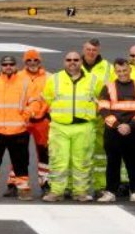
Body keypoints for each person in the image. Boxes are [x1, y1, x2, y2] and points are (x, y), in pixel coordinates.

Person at [42, 52, 99, 203]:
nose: (72, 62)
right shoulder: (53, 79)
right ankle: (56, 191)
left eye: (76, 60)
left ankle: (80, 192)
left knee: (82, 161)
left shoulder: (94, 80)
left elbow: (101, 101)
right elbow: (46, 100)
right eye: (69, 60)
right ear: (64, 62)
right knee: (58, 160)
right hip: (60, 127)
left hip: (84, 126)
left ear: (81, 61)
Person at [0, 55, 35, 200]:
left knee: (21, 163)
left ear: (16, 66)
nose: (8, 67)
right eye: (5, 64)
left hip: (19, 131)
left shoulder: (26, 83)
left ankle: (23, 189)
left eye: (11, 64)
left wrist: (25, 116)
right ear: (1, 67)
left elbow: (35, 102)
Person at [97, 58, 135, 203]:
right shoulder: (108, 87)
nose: (122, 74)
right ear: (115, 72)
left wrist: (130, 125)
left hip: (134, 131)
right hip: (114, 132)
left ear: (130, 69)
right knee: (113, 162)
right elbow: (103, 109)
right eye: (119, 71)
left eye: (125, 70)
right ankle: (110, 191)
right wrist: (117, 126)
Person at [80, 39, 112, 197]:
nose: (91, 52)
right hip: (81, 118)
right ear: (83, 49)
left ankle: (101, 186)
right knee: (81, 155)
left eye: (94, 49)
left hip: (100, 118)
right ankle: (80, 188)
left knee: (100, 155)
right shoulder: (75, 64)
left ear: (98, 50)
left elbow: (113, 90)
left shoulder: (107, 68)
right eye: (88, 49)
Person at [21, 49, 51, 191]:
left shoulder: (50, 77)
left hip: (42, 120)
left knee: (44, 153)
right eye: (29, 60)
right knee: (19, 152)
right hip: (23, 120)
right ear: (24, 62)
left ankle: (45, 182)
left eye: (35, 60)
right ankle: (15, 183)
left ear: (40, 61)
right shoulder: (17, 76)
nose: (32, 63)